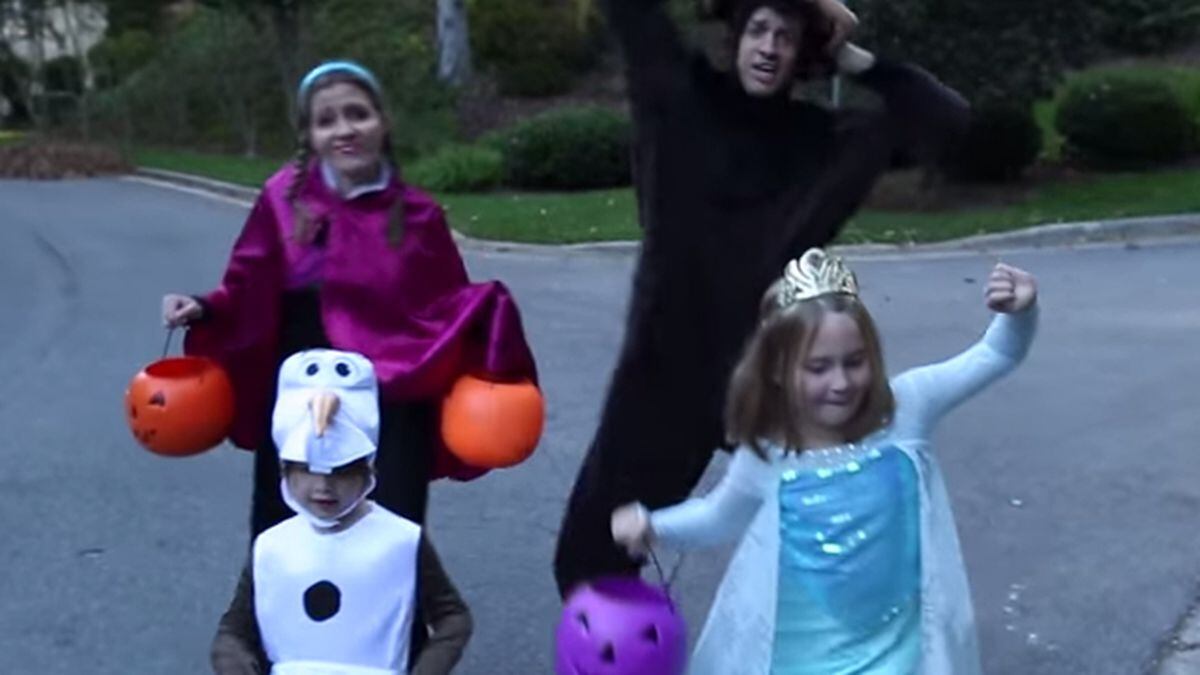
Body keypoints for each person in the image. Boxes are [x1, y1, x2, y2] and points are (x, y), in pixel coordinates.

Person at [553, 0, 971, 595]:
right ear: (737, 36)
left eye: (787, 37)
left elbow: (947, 121)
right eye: (759, 30)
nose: (770, 47)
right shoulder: (680, 98)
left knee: (834, 549)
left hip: (770, 377)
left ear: (804, 54)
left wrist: (851, 57)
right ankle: (621, 643)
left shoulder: (822, 141)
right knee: (592, 554)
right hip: (664, 373)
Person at [612, 248, 1039, 674]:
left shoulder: (906, 410)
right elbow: (717, 517)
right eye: (818, 368)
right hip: (801, 652)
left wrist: (1018, 315)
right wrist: (654, 525)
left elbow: (994, 355)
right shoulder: (769, 454)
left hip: (896, 649)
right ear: (778, 370)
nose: (841, 383)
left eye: (855, 362)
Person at [161, 60, 537, 535]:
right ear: (308, 135)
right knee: (289, 521)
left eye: (358, 114)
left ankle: (401, 585)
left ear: (383, 122)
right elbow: (247, 281)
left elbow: (443, 312)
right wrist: (205, 305)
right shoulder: (283, 200)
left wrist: (487, 313)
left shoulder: (418, 215)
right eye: (326, 120)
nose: (344, 130)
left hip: (391, 391)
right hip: (300, 380)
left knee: (389, 523)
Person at [211, 349, 472, 675]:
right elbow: (235, 630)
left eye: (341, 471)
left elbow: (453, 617)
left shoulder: (403, 540)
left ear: (367, 471)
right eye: (307, 470)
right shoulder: (271, 545)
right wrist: (233, 662)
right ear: (284, 470)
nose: (323, 487)